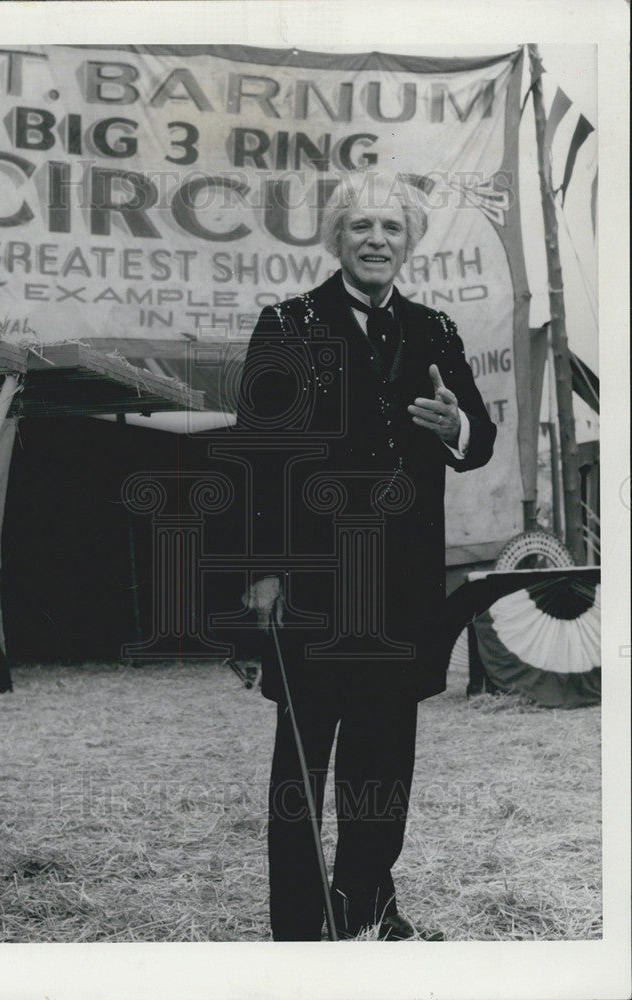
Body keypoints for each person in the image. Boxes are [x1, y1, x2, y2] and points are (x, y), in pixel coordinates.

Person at [234, 171, 497, 941]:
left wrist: (455, 426)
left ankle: (368, 905)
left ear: (408, 243)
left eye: (390, 228)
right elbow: (258, 455)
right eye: (360, 227)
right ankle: (297, 927)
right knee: (303, 761)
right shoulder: (286, 324)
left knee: (384, 754)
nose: (375, 239)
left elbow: (475, 441)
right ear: (336, 238)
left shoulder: (436, 332)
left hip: (402, 582)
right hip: (313, 578)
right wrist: (263, 568)